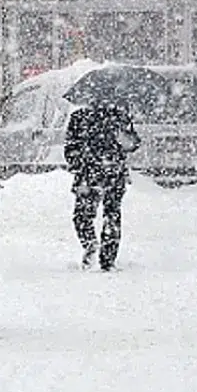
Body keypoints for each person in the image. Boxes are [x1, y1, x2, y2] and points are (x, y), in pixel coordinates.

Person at [64, 98, 141, 271]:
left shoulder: (80, 117)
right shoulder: (120, 118)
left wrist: (81, 162)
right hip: (112, 173)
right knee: (111, 215)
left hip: (89, 174)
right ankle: (107, 259)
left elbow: (69, 150)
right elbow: (133, 145)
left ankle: (91, 244)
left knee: (83, 215)